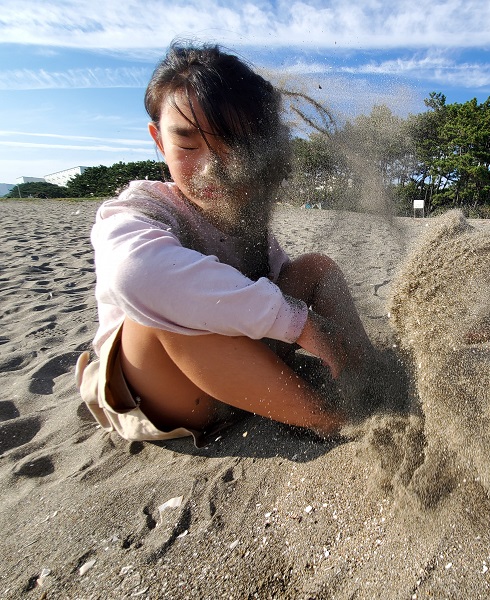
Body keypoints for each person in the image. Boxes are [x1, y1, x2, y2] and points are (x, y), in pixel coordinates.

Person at [75, 42, 373, 444]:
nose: (213, 168)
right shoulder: (143, 209)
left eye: (235, 146)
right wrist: (299, 323)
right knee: (167, 309)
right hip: (169, 393)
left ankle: (368, 375)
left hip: (246, 371)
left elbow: (271, 284)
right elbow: (137, 275)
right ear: (160, 142)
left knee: (315, 267)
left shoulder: (246, 213)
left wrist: (318, 329)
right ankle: (331, 418)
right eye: (188, 145)